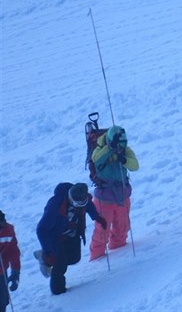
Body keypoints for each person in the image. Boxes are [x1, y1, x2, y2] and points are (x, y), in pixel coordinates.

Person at [35, 183, 107, 295]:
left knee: (74, 258)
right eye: (77, 204)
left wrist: (97, 217)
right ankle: (58, 291)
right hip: (57, 238)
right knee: (60, 265)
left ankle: (50, 257)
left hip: (73, 234)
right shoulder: (55, 206)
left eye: (82, 204)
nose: (80, 206)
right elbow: (42, 229)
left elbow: (89, 205)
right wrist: (49, 251)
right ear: (71, 198)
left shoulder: (82, 197)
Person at [89, 125, 139, 261]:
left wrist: (124, 159)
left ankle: (120, 251)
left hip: (122, 195)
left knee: (123, 227)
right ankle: (96, 258)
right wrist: (110, 149)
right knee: (102, 231)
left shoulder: (125, 150)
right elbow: (97, 159)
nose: (121, 148)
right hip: (104, 198)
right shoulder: (99, 149)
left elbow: (135, 165)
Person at [0, 210, 20, 312]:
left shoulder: (8, 229)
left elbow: (13, 252)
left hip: (1, 272)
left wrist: (15, 272)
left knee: (3, 301)